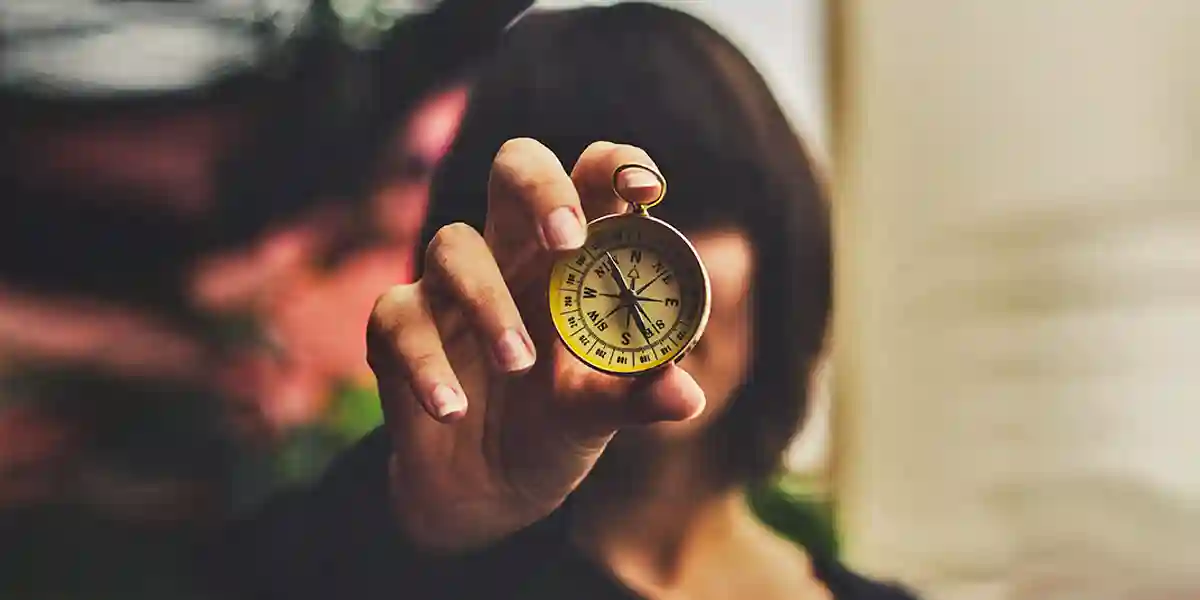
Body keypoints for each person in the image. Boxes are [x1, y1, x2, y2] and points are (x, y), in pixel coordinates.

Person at [211, 4, 920, 600]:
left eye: (692, 211)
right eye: (585, 233)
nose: (629, 278)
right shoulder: (378, 556)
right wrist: (419, 531)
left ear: (778, 244)